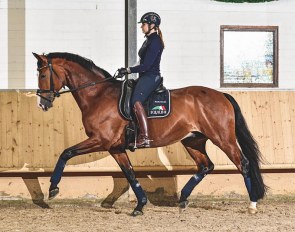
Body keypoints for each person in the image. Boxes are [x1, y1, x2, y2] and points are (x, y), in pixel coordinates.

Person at [118, 12, 165, 148]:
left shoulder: (155, 42)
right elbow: (141, 62)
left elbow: (146, 66)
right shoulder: (149, 40)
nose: (141, 27)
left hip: (151, 76)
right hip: (145, 76)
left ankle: (144, 137)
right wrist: (127, 69)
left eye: (143, 24)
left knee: (135, 101)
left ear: (152, 25)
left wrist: (128, 71)